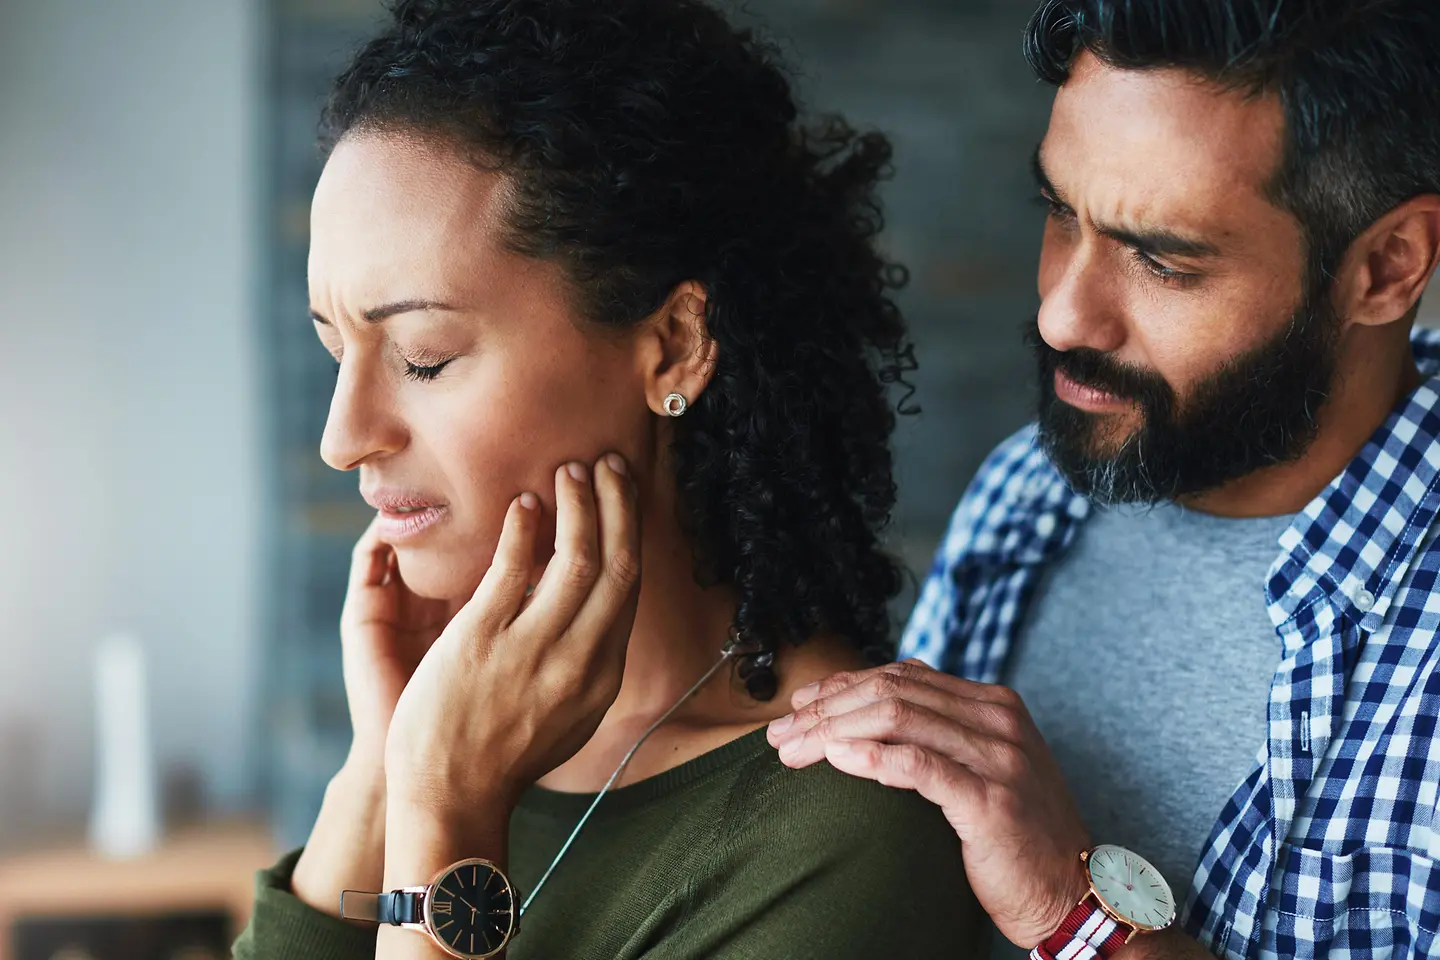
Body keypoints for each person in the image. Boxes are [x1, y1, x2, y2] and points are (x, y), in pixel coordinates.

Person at [231, 0, 986, 958]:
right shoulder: (454, 737)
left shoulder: (838, 831)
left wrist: (446, 808)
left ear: (672, 346)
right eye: (335, 346)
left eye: (422, 357)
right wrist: (379, 774)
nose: (345, 438)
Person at [767, 1, 1440, 959]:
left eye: (1162, 260)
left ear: (1385, 265)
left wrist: (1074, 920)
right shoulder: (1027, 494)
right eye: (1058, 213)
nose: (1062, 317)